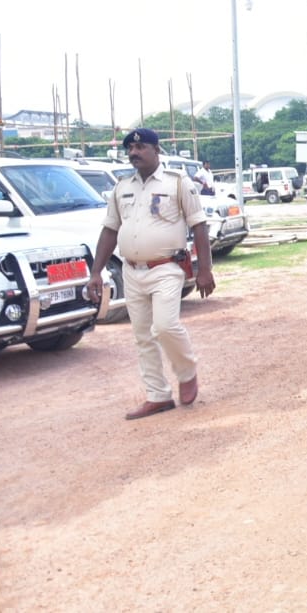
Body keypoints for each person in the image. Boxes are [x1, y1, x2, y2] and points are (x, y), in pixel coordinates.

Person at [87, 128, 216, 420]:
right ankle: (157, 396)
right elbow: (110, 230)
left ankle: (187, 372)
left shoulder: (178, 182)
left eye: (141, 147)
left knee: (165, 326)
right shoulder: (122, 187)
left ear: (156, 150)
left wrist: (205, 269)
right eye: (130, 149)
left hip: (167, 267)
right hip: (133, 271)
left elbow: (199, 226)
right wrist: (96, 272)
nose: (134, 153)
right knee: (143, 336)